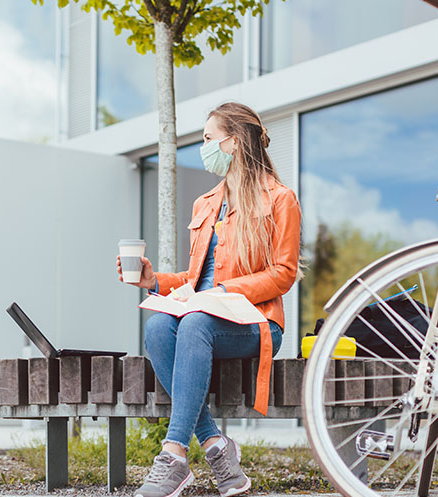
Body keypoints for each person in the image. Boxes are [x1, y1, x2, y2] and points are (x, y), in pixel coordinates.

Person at [117, 102, 301, 497]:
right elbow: (195, 278)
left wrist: (224, 294)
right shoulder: (206, 203)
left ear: (233, 142)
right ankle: (217, 447)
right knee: (158, 325)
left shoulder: (280, 198)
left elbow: (284, 273)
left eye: (207, 139)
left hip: (256, 322)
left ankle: (173, 454)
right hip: (205, 315)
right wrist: (156, 280)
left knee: (195, 321)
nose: (203, 147)